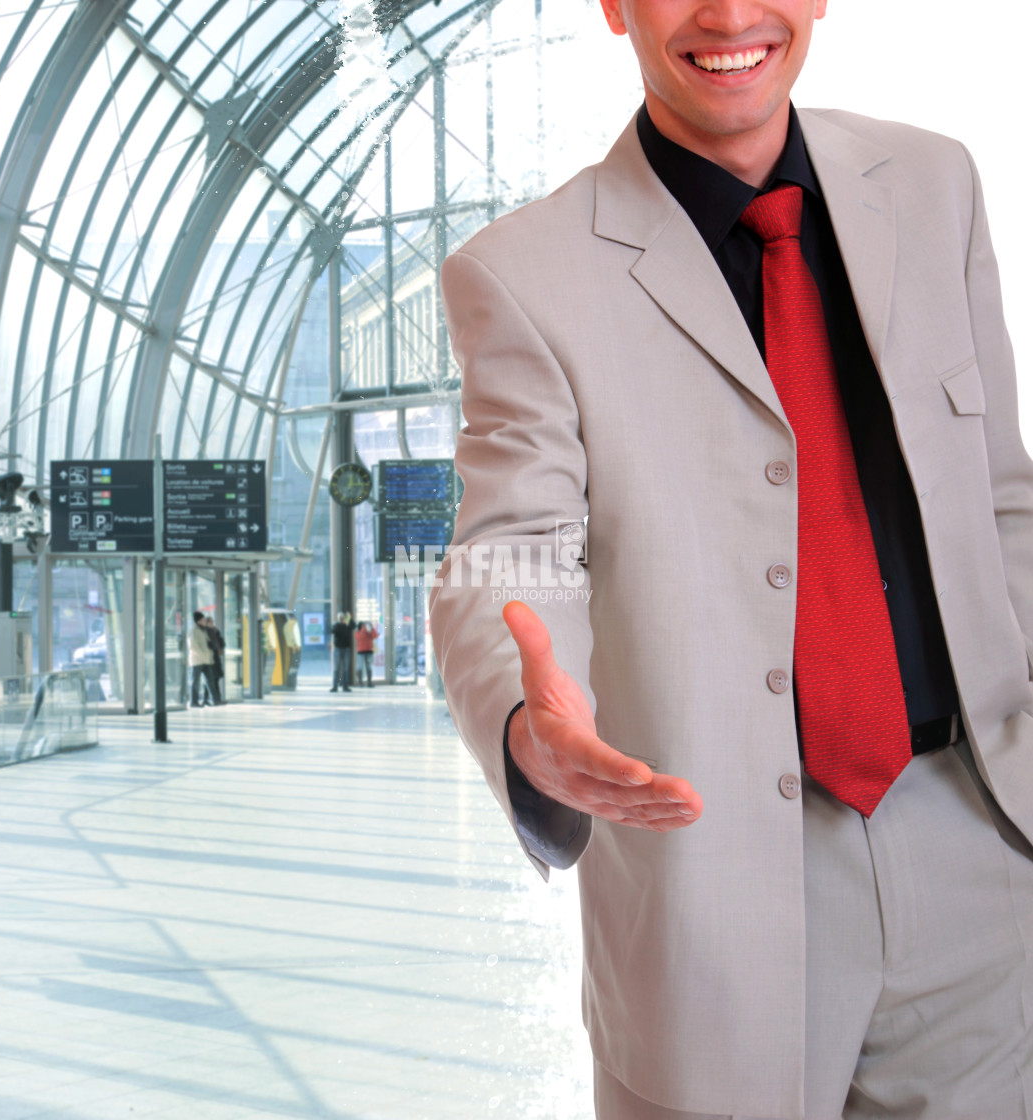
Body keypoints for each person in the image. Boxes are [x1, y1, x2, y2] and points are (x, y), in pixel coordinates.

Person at [429, 1, 1033, 1118]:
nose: (729, 14)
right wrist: (530, 724)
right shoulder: (523, 275)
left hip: (979, 853)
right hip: (716, 890)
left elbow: (1003, 495)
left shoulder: (936, 184)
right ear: (612, 6)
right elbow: (507, 553)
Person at [187, 611, 220, 708]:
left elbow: (207, 643)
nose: (205, 621)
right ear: (199, 621)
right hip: (197, 660)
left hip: (206, 660)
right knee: (195, 682)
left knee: (210, 680)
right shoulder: (193, 631)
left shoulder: (203, 630)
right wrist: (204, 653)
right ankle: (194, 702)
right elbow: (193, 646)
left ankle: (215, 700)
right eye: (204, 619)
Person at [329, 611, 355, 692]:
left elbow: (354, 626)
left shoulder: (347, 625)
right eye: (340, 618)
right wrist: (339, 623)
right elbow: (333, 631)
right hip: (338, 649)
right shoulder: (337, 625)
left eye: (342, 618)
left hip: (346, 649)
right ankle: (335, 686)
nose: (341, 619)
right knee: (336, 668)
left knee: (345, 669)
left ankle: (345, 686)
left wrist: (349, 619)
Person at [204, 615, 225, 704]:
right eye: (209, 622)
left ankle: (213, 699)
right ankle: (215, 699)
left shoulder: (216, 631)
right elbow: (209, 645)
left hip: (216, 658)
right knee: (210, 680)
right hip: (209, 659)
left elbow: (222, 644)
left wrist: (220, 642)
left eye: (212, 622)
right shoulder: (205, 632)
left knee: (215, 679)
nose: (211, 624)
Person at [354, 621, 379, 687]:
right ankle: (360, 682)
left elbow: (375, 636)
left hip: (368, 651)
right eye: (363, 625)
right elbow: (360, 637)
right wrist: (365, 628)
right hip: (361, 652)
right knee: (360, 667)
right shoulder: (357, 632)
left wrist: (372, 628)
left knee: (369, 667)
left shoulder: (369, 631)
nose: (365, 626)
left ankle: (369, 682)